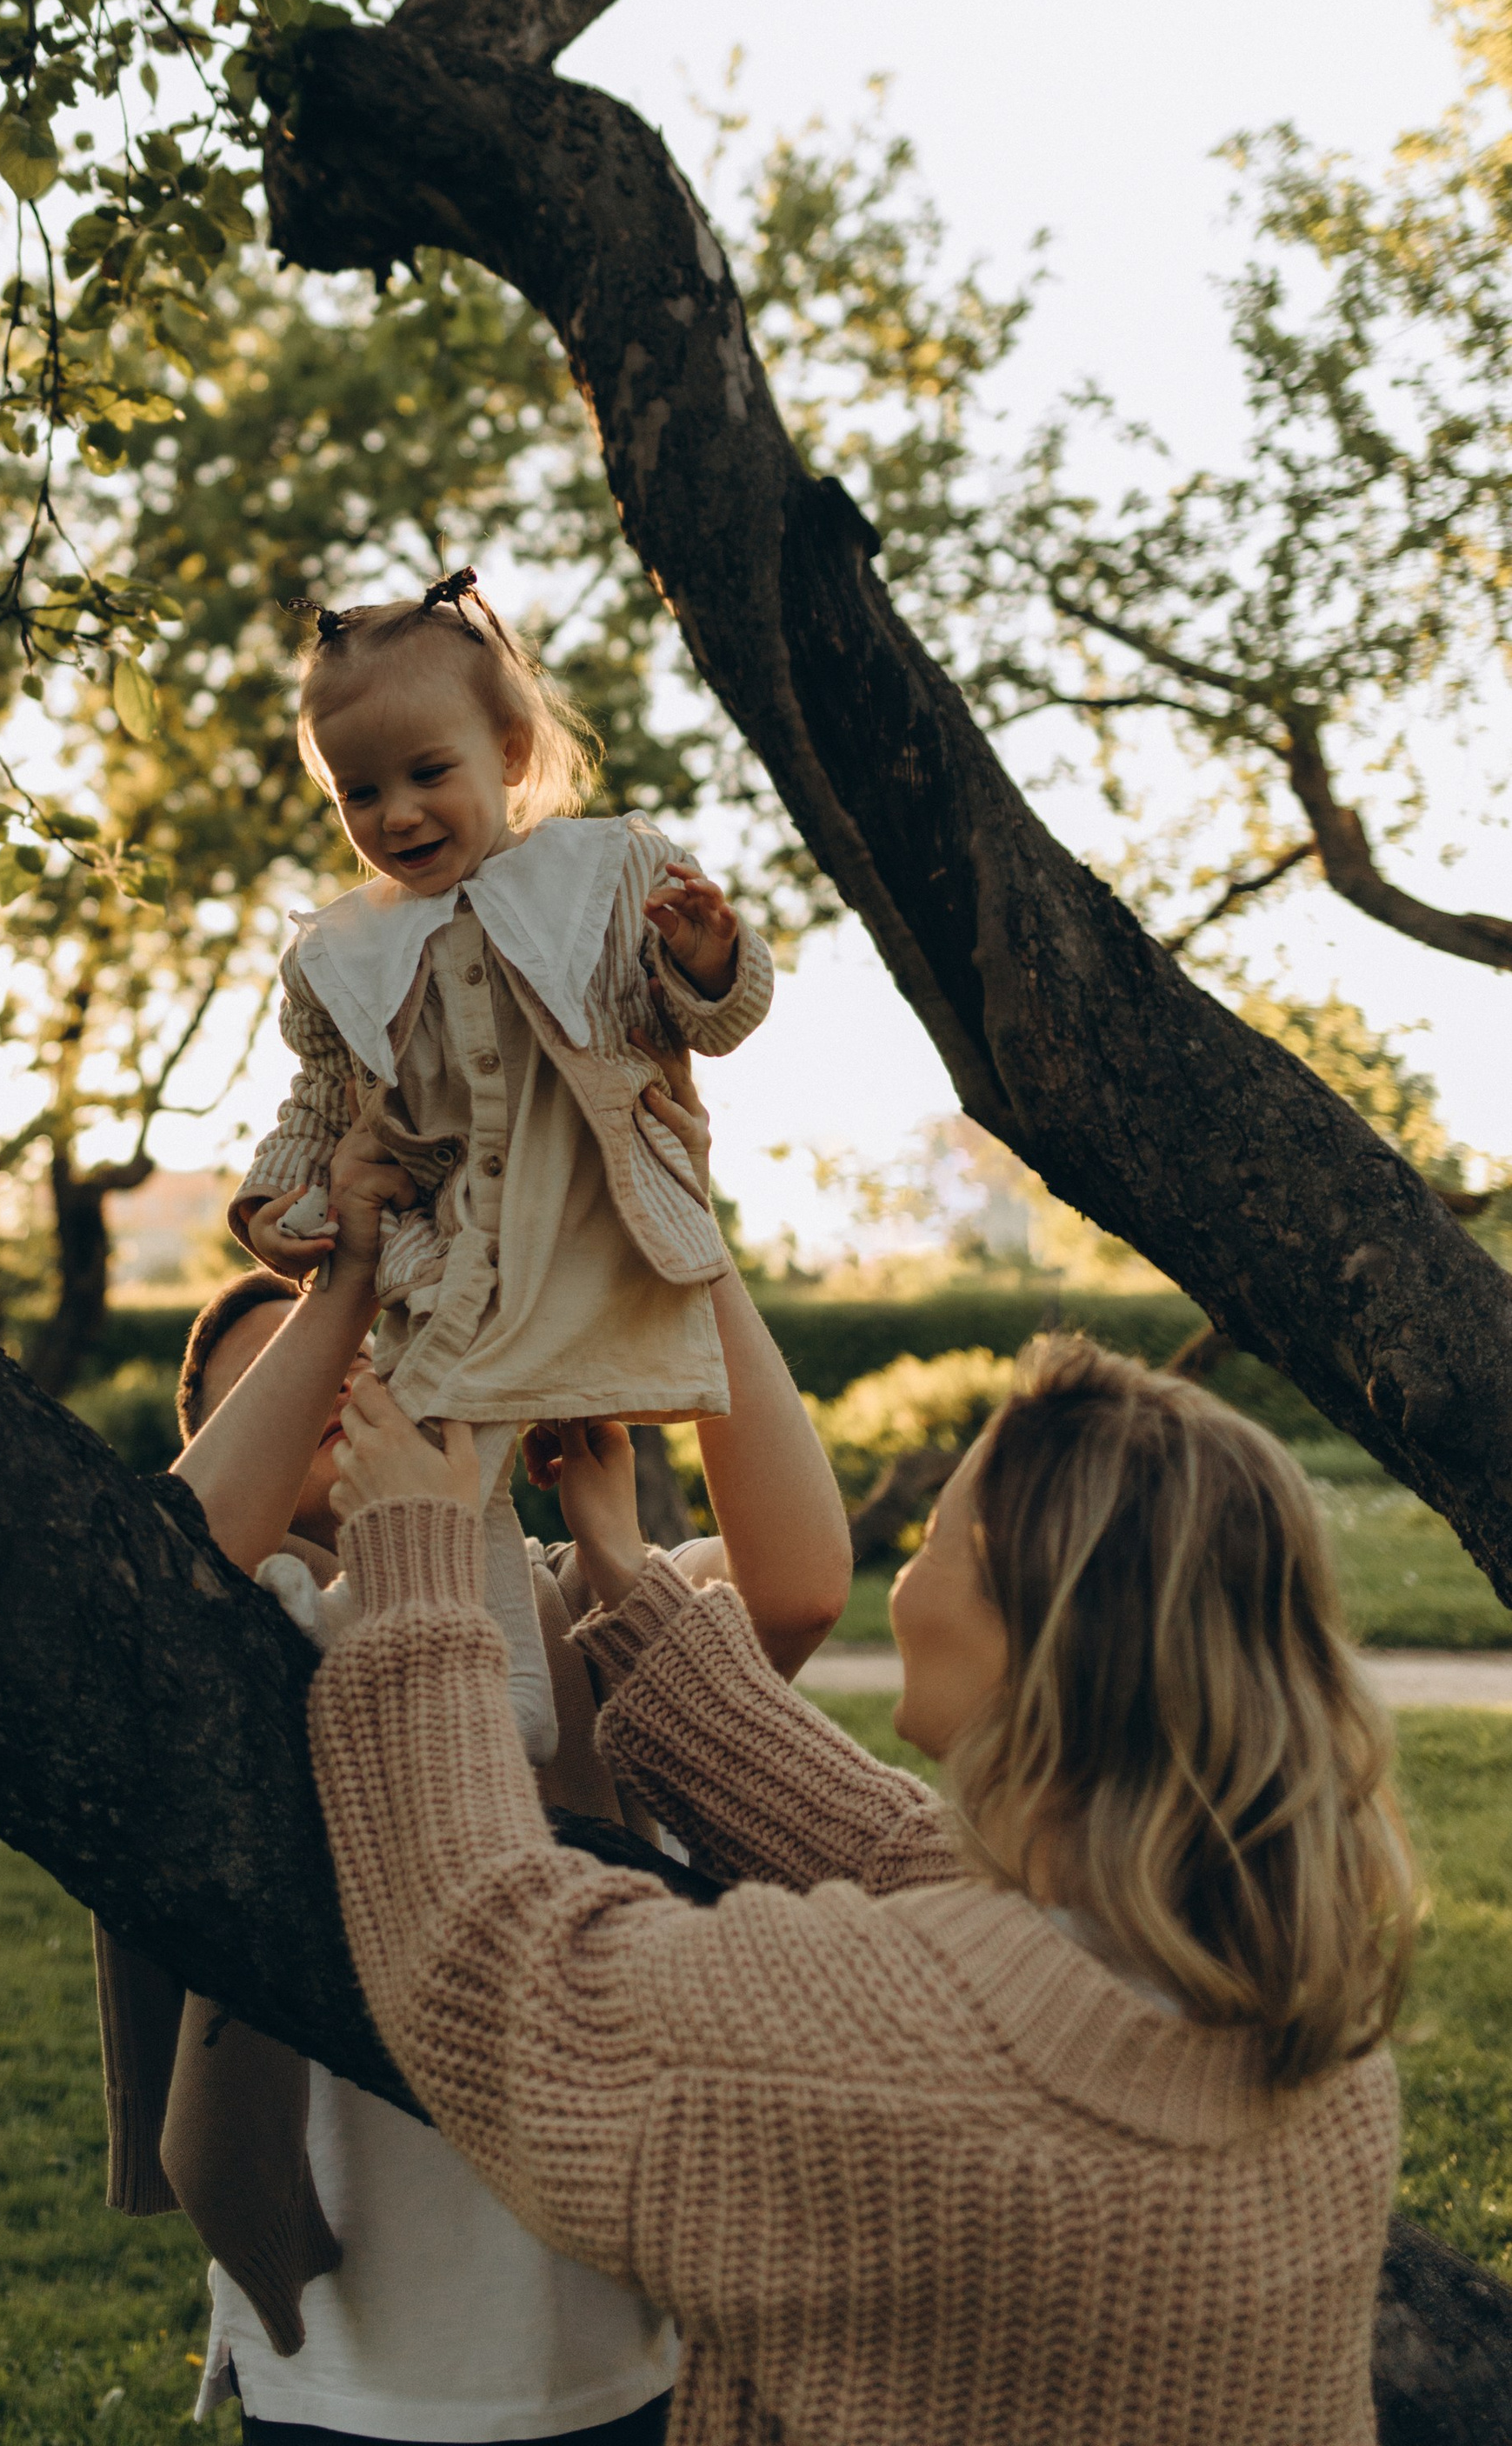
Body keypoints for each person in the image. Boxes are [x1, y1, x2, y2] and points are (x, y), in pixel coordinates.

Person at [310, 1332, 1421, 2446]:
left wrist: (417, 1570)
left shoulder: (895, 2067)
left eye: (937, 1538)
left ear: (1034, 1626)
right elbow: (890, 1847)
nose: (908, 1575)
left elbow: (501, 1975)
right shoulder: (1304, 2016)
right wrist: (621, 1565)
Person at [97, 1071, 851, 2446]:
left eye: (374, 1354)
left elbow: (797, 1590)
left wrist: (691, 1233)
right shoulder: (250, 1642)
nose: (345, 1385)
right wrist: (344, 1284)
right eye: (291, 1382)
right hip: (354, 2362)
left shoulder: (587, 1611)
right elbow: (173, 1568)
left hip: (619, 2343)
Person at [229, 566, 777, 1757]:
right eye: (359, 792)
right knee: (430, 1463)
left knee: (485, 1447)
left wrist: (710, 961)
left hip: (593, 1240)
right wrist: (278, 1204)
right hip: (454, 1266)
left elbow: (712, 1030)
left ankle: (369, 1630)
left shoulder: (611, 876)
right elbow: (321, 1106)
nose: (399, 814)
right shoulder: (343, 954)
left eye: (430, 773)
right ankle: (507, 1696)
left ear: (513, 751)